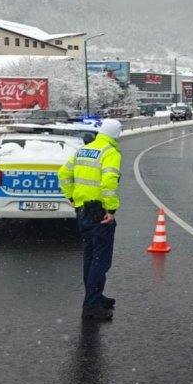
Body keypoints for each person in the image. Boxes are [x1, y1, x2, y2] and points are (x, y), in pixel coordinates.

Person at [59, 119, 123, 320]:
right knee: (100, 260)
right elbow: (109, 182)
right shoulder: (110, 152)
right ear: (116, 134)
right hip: (99, 212)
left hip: (82, 211)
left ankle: (93, 295)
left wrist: (71, 197)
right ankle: (91, 305)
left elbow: (63, 173)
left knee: (89, 256)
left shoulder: (85, 149)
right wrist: (111, 209)